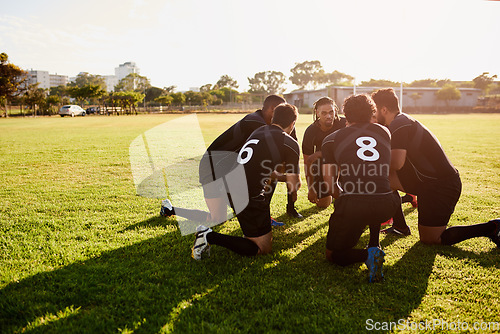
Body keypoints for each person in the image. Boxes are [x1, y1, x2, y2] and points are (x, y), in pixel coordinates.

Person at [371, 88, 500, 246]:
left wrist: (366, 164)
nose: (374, 115)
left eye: (374, 110)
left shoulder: (399, 124)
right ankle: (400, 226)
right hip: (426, 182)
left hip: (442, 185)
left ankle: (492, 227)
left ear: (383, 109)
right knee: (384, 178)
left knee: (431, 239)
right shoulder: (399, 121)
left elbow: (397, 163)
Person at [183, 103, 301, 259]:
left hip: (227, 186)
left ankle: (246, 232)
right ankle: (208, 236)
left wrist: (274, 176)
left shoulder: (259, 131)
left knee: (253, 235)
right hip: (247, 195)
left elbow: (253, 164)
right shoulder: (290, 143)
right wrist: (291, 182)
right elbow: (294, 183)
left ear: (274, 118)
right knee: (262, 247)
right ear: (293, 123)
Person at [160, 94, 300, 222]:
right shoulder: (256, 123)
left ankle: (263, 215)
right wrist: (287, 180)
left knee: (268, 171)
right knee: (217, 218)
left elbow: (289, 156)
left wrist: (291, 201)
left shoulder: (272, 126)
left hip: (229, 168)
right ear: (273, 109)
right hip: (212, 168)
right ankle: (170, 209)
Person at [322, 94, 400, 282]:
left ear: (345, 114)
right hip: (388, 204)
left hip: (354, 205)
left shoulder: (331, 139)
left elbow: (330, 184)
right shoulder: (384, 132)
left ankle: (368, 255)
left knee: (332, 255)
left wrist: (345, 201)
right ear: (372, 113)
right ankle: (374, 243)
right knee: (372, 186)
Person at [302, 97, 346, 208]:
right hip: (323, 166)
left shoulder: (344, 124)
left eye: (331, 112)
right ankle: (328, 190)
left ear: (335, 110)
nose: (329, 116)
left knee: (347, 200)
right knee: (323, 205)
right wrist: (311, 188)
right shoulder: (311, 132)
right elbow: (308, 162)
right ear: (317, 113)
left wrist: (320, 153)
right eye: (324, 113)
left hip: (345, 163)